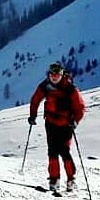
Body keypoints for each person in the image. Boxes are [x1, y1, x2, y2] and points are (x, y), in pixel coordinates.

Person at [28, 61, 85, 192]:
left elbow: (80, 107)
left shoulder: (70, 88)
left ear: (62, 75)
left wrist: (75, 121)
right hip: (51, 123)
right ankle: (54, 180)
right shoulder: (45, 85)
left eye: (57, 75)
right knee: (52, 151)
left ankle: (71, 180)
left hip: (66, 124)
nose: (54, 77)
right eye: (52, 75)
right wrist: (33, 115)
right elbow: (35, 99)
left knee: (64, 152)